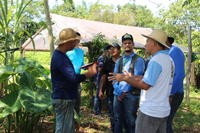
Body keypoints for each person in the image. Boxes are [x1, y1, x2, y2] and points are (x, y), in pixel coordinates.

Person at [108, 29, 175, 133]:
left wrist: (125, 78)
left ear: (155, 43)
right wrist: (132, 77)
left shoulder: (156, 61)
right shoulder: (169, 59)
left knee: (131, 122)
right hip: (162, 110)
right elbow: (152, 79)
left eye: (147, 42)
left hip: (151, 111)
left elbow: (145, 85)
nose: (145, 45)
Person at [51, 28, 97, 133]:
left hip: (65, 98)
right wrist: (89, 73)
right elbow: (73, 78)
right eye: (74, 40)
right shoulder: (61, 58)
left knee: (68, 128)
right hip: (64, 99)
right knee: (63, 130)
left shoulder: (60, 55)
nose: (75, 43)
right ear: (67, 42)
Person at [112, 33, 145, 133]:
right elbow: (114, 78)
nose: (127, 45)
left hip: (131, 95)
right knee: (117, 119)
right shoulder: (119, 60)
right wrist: (118, 92)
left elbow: (137, 79)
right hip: (117, 94)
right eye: (125, 43)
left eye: (129, 43)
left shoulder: (139, 60)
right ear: (122, 45)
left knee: (131, 121)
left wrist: (124, 92)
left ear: (133, 44)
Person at [98, 43, 121, 132]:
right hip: (110, 91)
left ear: (119, 50)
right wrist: (100, 90)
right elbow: (103, 77)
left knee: (122, 114)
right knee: (112, 113)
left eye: (114, 48)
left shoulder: (124, 61)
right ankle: (114, 130)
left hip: (122, 92)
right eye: (110, 49)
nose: (111, 50)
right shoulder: (107, 63)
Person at [166, 37, 185, 133]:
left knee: (166, 124)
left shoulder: (174, 51)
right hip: (167, 93)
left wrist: (170, 94)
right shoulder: (164, 53)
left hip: (174, 93)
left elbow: (180, 74)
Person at [66, 32, 84, 129]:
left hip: (77, 81)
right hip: (68, 81)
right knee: (69, 102)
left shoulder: (81, 51)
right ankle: (68, 124)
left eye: (78, 39)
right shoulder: (68, 51)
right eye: (75, 39)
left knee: (77, 102)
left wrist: (88, 68)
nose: (77, 41)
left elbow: (82, 64)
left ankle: (77, 124)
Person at [93, 45, 110, 119]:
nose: (110, 53)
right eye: (109, 51)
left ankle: (99, 112)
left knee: (100, 96)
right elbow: (100, 69)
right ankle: (97, 113)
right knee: (97, 96)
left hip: (103, 80)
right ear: (106, 51)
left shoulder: (104, 59)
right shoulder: (101, 58)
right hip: (100, 80)